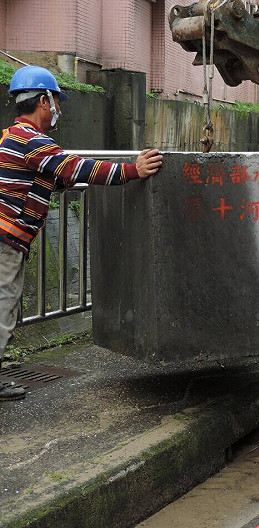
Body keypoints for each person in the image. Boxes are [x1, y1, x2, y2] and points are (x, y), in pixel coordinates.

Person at [0, 66, 163, 402]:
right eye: (57, 101)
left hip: (9, 240)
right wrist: (131, 170)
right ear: (43, 101)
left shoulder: (11, 137)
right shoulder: (31, 140)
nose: (58, 109)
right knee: (2, 308)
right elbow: (76, 167)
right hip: (6, 242)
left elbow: (51, 177)